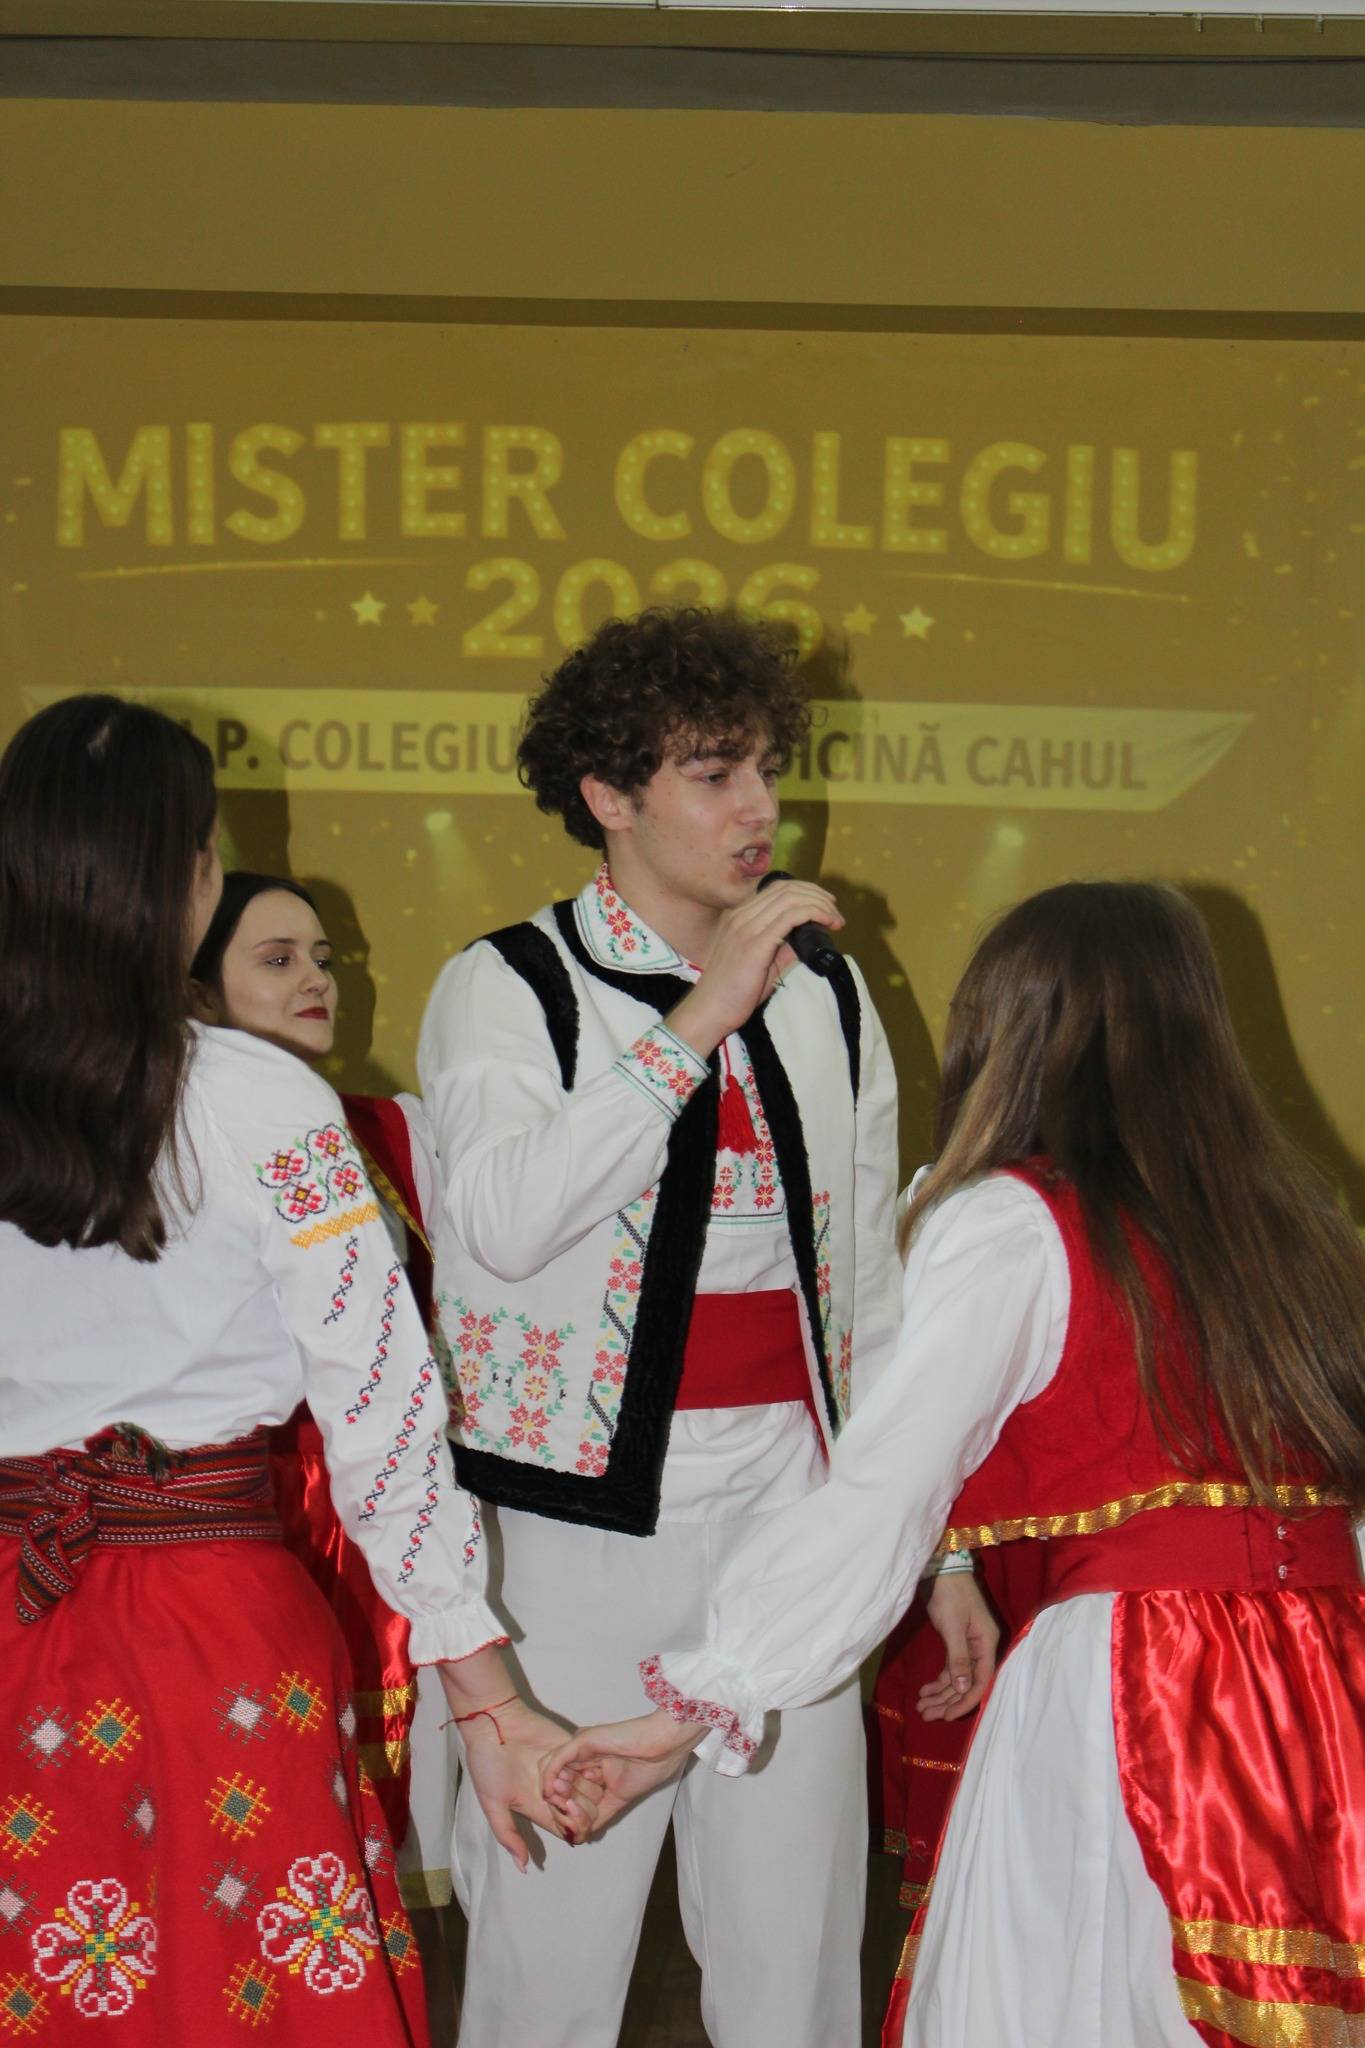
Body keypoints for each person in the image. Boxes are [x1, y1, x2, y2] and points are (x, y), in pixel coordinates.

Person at [545, 881, 1365, 2048]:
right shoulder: (1299, 1222)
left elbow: (884, 1491)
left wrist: (707, 1692)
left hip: (1140, 1676)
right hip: (1330, 1673)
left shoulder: (1015, 1220)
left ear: (1010, 1027)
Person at [0, 696, 593, 2048]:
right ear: (186, 878)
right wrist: (487, 1696)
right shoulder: (265, 1100)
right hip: (216, 1627)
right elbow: (385, 1416)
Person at [417, 606, 941, 2048]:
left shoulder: (831, 991)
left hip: (790, 1517)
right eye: (715, 773)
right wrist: (698, 1018)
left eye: (768, 767)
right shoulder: (508, 983)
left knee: (796, 1961)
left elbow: (869, 1287)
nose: (760, 806)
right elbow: (503, 1221)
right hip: (575, 1533)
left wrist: (932, 1545)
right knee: (550, 1968)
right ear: (607, 793)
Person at [189, 871, 443, 1889]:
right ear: (198, 988)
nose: (317, 980)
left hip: (373, 1488)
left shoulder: (389, 1130)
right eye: (278, 959)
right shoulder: (165, 1137)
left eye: (324, 959)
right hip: (239, 1504)